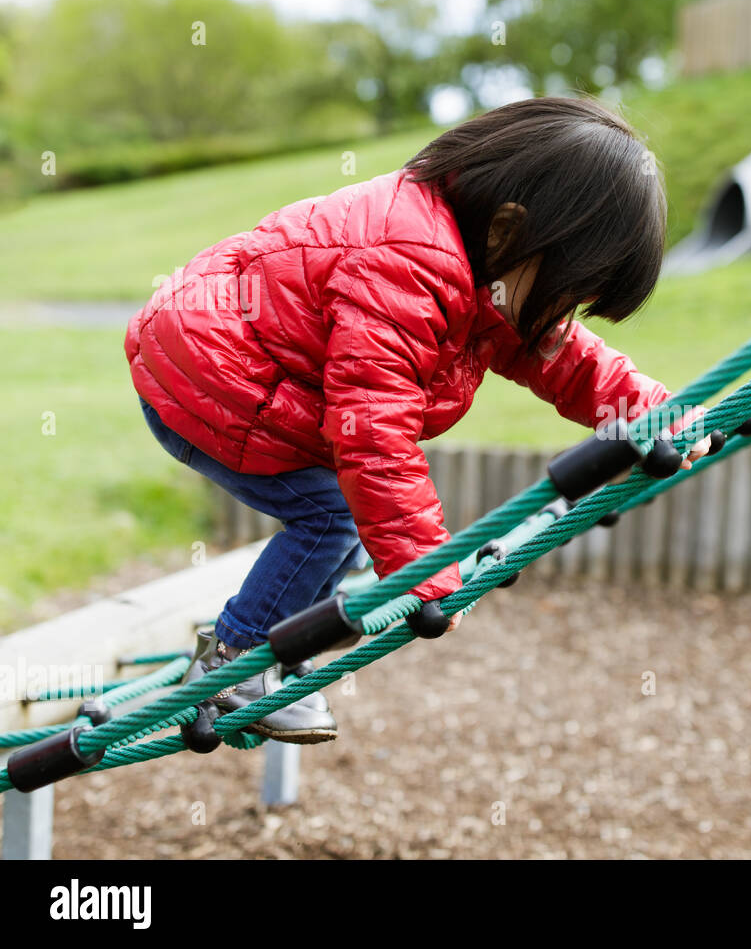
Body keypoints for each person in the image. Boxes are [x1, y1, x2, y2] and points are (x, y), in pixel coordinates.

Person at [126, 96, 708, 744]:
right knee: (331, 517)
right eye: (568, 292)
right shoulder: (408, 262)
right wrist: (421, 567)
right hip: (206, 375)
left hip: (251, 374)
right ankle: (234, 663)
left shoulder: (492, 271)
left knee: (340, 529)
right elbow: (372, 430)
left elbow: (567, 360)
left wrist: (651, 411)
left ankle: (278, 647)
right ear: (507, 231)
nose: (564, 314)